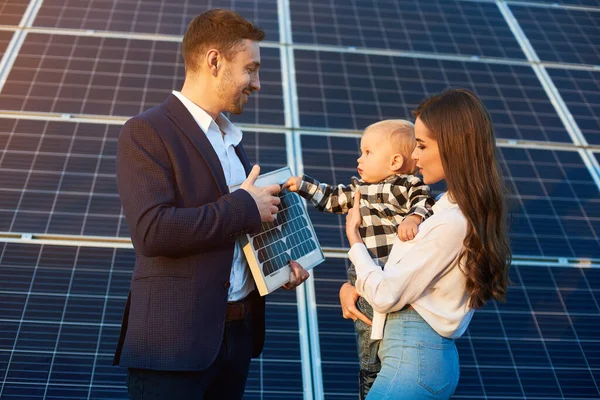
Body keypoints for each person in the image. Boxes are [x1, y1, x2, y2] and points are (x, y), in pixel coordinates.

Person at [112, 9, 309, 400]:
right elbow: (153, 231)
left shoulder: (231, 141)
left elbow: (233, 234)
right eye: (250, 69)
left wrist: (273, 265)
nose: (257, 83)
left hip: (235, 339)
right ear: (214, 60)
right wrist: (243, 207)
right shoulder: (147, 131)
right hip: (174, 348)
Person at [341, 89, 511, 399]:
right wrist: (356, 286)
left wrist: (355, 241)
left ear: (452, 147)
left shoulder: (453, 222)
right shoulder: (445, 206)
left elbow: (386, 295)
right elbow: (398, 279)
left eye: (421, 145)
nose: (414, 156)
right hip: (414, 359)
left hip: (412, 361)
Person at [284, 119, 434, 398]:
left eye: (367, 152)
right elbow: (330, 198)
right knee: (367, 333)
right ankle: (369, 377)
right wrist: (303, 185)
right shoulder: (358, 190)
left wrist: (413, 218)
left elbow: (424, 200)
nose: (359, 158)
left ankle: (380, 374)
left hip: (392, 275)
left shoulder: (407, 185)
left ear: (395, 161)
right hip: (363, 276)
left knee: (389, 332)